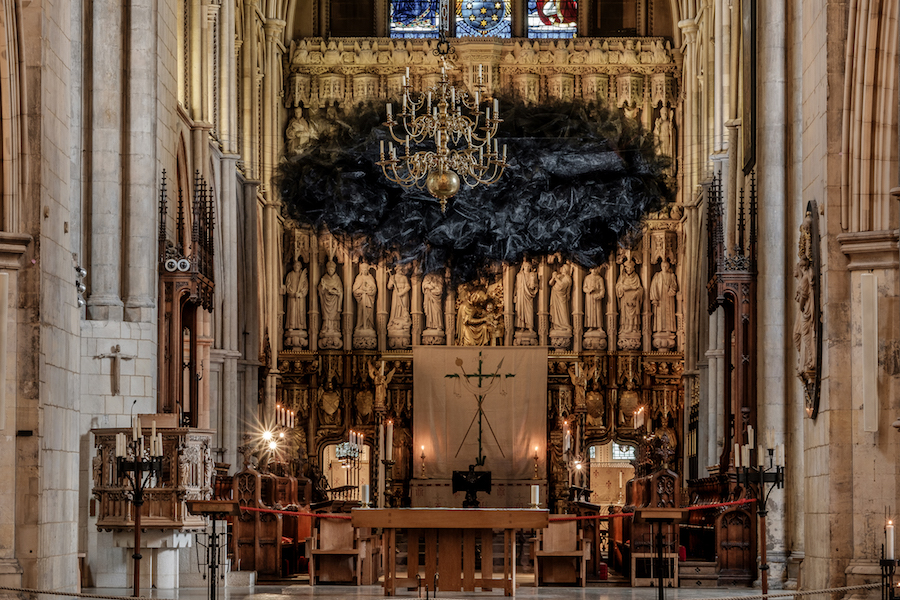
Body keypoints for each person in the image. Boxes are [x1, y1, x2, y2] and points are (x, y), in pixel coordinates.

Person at [649, 260, 678, 335]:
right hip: (660, 298)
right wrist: (654, 298)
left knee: (668, 313)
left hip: (668, 298)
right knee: (659, 313)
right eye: (663, 266)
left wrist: (672, 289)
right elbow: (653, 287)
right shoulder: (657, 275)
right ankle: (659, 329)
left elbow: (674, 285)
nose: (664, 267)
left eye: (666, 266)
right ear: (661, 266)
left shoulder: (671, 275)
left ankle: (669, 329)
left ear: (668, 267)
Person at [318, 260, 343, 336]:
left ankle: (335, 328)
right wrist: (322, 287)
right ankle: (326, 327)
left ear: (334, 270)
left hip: (335, 301)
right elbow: (320, 290)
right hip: (326, 300)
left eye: (332, 269)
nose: (330, 271)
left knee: (334, 315)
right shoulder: (324, 279)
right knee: (326, 315)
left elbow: (341, 291)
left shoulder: (337, 279)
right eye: (329, 269)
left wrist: (335, 292)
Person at [282, 261, 308, 332]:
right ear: (293, 266)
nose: (297, 267)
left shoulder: (302, 276)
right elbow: (287, 286)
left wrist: (301, 294)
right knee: (292, 311)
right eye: (295, 265)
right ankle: (291, 326)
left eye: (298, 265)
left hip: (300, 298)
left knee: (301, 311)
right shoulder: (290, 275)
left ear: (300, 267)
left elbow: (306, 287)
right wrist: (292, 293)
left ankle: (301, 326)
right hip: (292, 297)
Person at [514, 260, 539, 331]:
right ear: (523, 267)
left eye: (528, 266)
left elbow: (536, 285)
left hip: (529, 295)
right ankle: (522, 326)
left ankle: (530, 326)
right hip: (521, 294)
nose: (527, 267)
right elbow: (516, 286)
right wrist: (514, 295)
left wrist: (534, 288)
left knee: (529, 311)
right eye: (525, 266)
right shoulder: (519, 275)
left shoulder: (532, 275)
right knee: (521, 311)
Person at [352, 262, 376, 332]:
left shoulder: (370, 277)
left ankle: (369, 325)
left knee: (369, 312)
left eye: (366, 270)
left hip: (369, 298)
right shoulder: (359, 278)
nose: (364, 271)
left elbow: (374, 289)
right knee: (361, 312)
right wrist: (362, 291)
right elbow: (355, 290)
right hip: (362, 299)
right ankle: (360, 325)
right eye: (363, 270)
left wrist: (370, 291)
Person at [549, 263, 573, 332]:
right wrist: (553, 277)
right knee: (555, 311)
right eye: (562, 268)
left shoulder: (568, 278)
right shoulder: (559, 276)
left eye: (565, 268)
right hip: (555, 295)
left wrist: (556, 278)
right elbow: (550, 283)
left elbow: (562, 285)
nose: (563, 269)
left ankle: (565, 325)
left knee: (563, 311)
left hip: (562, 297)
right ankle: (556, 326)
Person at [387, 265, 411, 332]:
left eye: (401, 269)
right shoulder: (393, 277)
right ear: (396, 270)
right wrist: (391, 282)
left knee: (404, 307)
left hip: (403, 294)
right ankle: (394, 321)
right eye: (399, 269)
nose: (400, 271)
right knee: (395, 307)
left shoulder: (404, 277)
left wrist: (402, 292)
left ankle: (404, 320)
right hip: (396, 294)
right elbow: (389, 287)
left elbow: (408, 287)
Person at [583, 266, 605, 330]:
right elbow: (584, 288)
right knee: (590, 312)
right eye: (593, 269)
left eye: (596, 269)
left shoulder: (599, 278)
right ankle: (590, 326)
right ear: (590, 269)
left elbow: (602, 289)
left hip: (597, 297)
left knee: (598, 311)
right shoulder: (587, 278)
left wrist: (600, 295)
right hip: (589, 297)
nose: (594, 270)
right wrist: (589, 290)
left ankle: (599, 326)